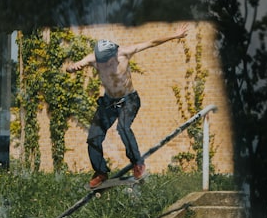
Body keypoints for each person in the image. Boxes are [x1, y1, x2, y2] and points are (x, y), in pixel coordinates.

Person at [66, 24, 189, 188]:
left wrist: (174, 36)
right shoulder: (93, 59)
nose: (105, 63)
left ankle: (137, 164)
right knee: (93, 136)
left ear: (113, 54)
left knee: (123, 128)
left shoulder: (125, 52)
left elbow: (152, 42)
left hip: (129, 100)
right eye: (101, 60)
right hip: (109, 102)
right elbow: (72, 66)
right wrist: (72, 68)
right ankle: (101, 172)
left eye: (107, 60)